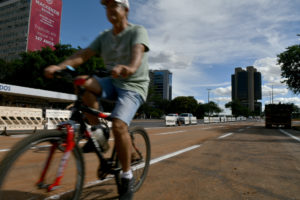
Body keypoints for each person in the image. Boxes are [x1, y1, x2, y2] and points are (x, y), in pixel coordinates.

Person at [44, 0, 150, 199]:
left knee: (119, 126)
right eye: (106, 6)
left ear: (125, 10)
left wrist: (130, 68)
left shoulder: (137, 31)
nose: (109, 10)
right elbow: (83, 54)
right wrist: (60, 66)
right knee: (82, 82)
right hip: (111, 81)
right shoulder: (104, 37)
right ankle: (98, 132)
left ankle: (126, 178)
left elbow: (137, 53)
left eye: (114, 5)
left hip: (133, 86)